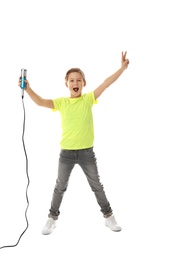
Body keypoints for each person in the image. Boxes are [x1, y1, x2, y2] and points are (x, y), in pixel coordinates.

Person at [18, 51, 129, 235]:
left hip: (87, 153)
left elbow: (106, 83)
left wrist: (122, 68)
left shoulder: (88, 99)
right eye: (72, 80)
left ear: (84, 83)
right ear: (66, 84)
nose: (75, 83)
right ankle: (52, 219)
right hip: (66, 154)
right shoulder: (62, 103)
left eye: (79, 80)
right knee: (60, 186)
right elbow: (41, 102)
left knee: (97, 185)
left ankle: (109, 217)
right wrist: (28, 88)